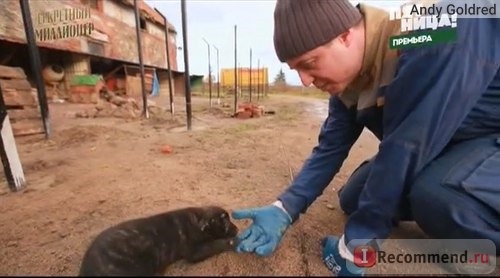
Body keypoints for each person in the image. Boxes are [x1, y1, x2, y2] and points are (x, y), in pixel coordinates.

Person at [231, 0, 500, 276]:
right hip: (447, 147)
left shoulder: (435, 30)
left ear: (345, 35)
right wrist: (284, 208)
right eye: (295, 70)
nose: (305, 81)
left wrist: (357, 243)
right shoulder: (349, 83)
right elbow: (330, 148)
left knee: (435, 196)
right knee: (354, 197)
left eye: (310, 64)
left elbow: (406, 146)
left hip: (489, 140)